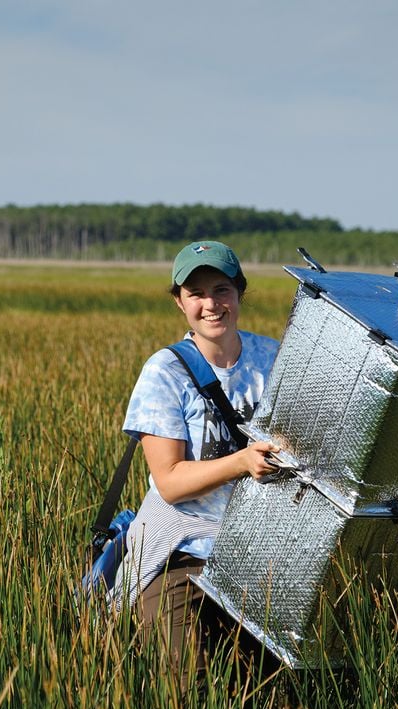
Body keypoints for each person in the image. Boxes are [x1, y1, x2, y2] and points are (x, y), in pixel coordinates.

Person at [111, 240, 282, 678]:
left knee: (278, 684)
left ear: (240, 292)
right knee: (189, 679)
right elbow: (169, 481)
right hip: (182, 554)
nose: (211, 304)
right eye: (196, 293)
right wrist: (241, 462)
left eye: (221, 290)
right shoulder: (165, 371)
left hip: (262, 553)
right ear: (179, 301)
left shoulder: (276, 359)